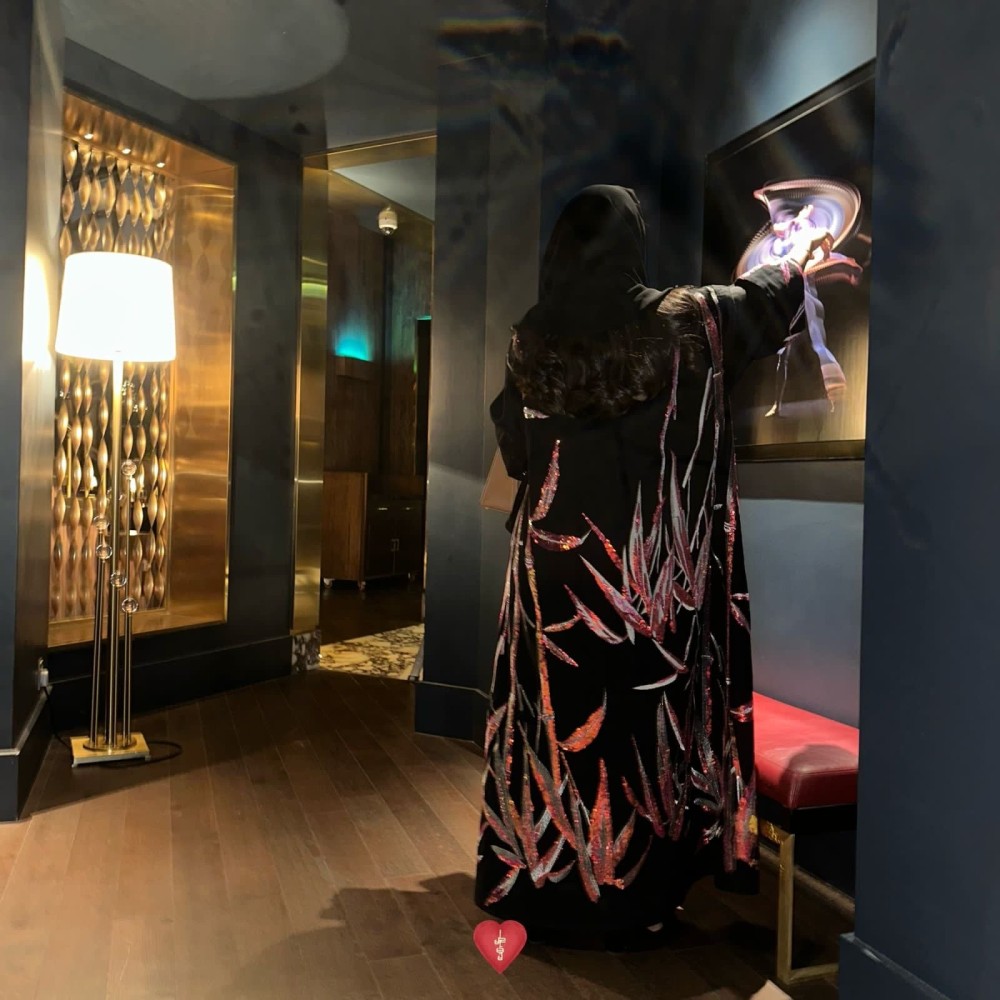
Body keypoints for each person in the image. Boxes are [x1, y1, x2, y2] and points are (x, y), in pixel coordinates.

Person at [474, 185, 829, 951]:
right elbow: (763, 298)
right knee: (637, 732)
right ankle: (635, 897)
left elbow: (516, 450)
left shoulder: (532, 337)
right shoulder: (686, 320)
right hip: (641, 582)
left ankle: (542, 887)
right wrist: (799, 253)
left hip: (549, 576)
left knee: (552, 722)